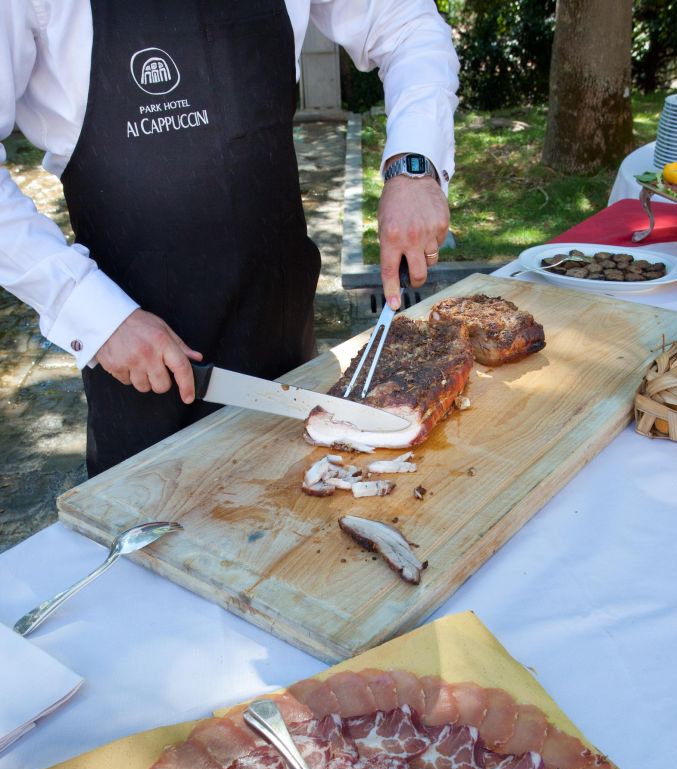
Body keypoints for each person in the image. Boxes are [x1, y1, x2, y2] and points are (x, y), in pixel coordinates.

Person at [1, 1, 459, 475]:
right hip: (143, 383)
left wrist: (414, 165)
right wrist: (90, 312)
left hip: (288, 361)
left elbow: (407, 24)